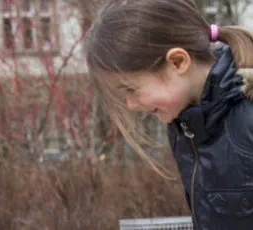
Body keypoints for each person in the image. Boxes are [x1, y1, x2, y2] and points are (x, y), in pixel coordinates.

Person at [85, 0, 253, 228]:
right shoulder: (186, 126)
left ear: (178, 62)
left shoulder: (246, 119)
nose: (130, 104)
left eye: (131, 89)